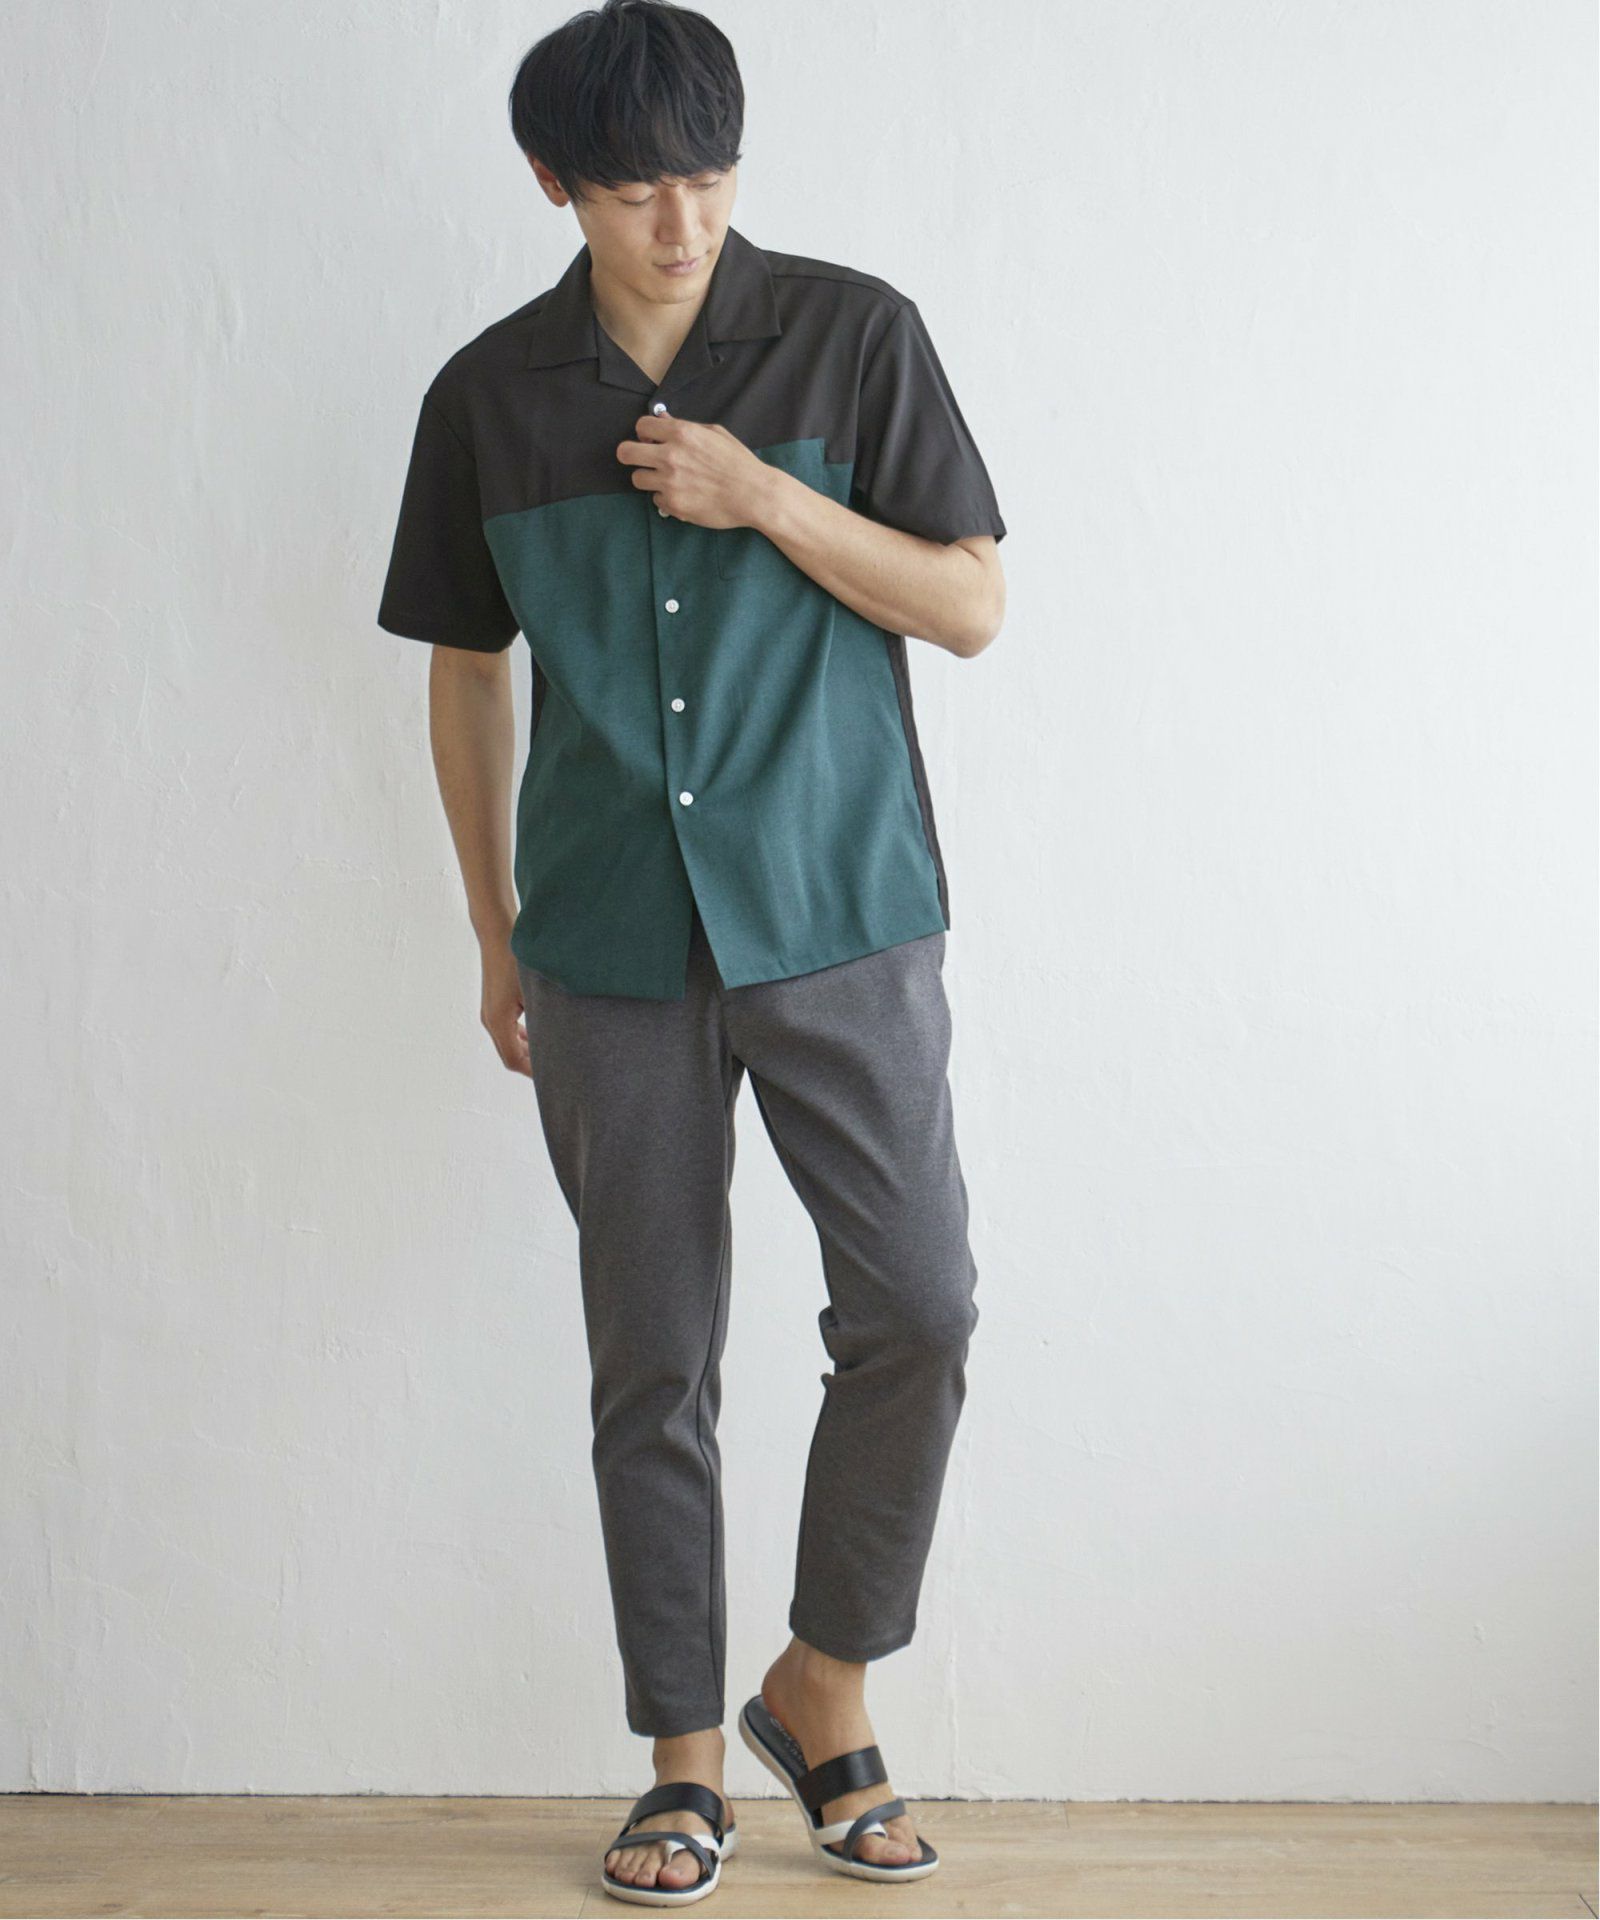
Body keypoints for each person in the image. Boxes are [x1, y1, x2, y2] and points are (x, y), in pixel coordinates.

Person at [376, 0, 1006, 1903]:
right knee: (651, 1357)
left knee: (920, 1309)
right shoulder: (486, 398)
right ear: (553, 183)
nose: (684, 221)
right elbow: (465, 669)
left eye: (712, 174)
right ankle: (678, 1766)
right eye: (639, 186)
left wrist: (766, 494)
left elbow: (971, 603)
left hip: (842, 913)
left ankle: (824, 1686)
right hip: (606, 942)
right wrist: (492, 930)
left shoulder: (854, 334)